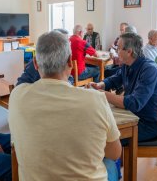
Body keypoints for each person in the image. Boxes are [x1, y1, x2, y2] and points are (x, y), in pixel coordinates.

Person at [9, 31, 121, 181]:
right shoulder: (96, 99)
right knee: (112, 163)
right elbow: (114, 152)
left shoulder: (16, 96)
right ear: (70, 62)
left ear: (35, 63)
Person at [89, 32, 157, 142]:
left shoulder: (149, 69)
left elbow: (134, 103)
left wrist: (103, 94)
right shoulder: (127, 64)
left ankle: (111, 158)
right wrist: (100, 85)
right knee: (95, 124)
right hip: (131, 115)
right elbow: (115, 79)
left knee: (101, 137)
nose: (115, 52)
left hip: (146, 124)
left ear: (129, 51)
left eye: (118, 48)